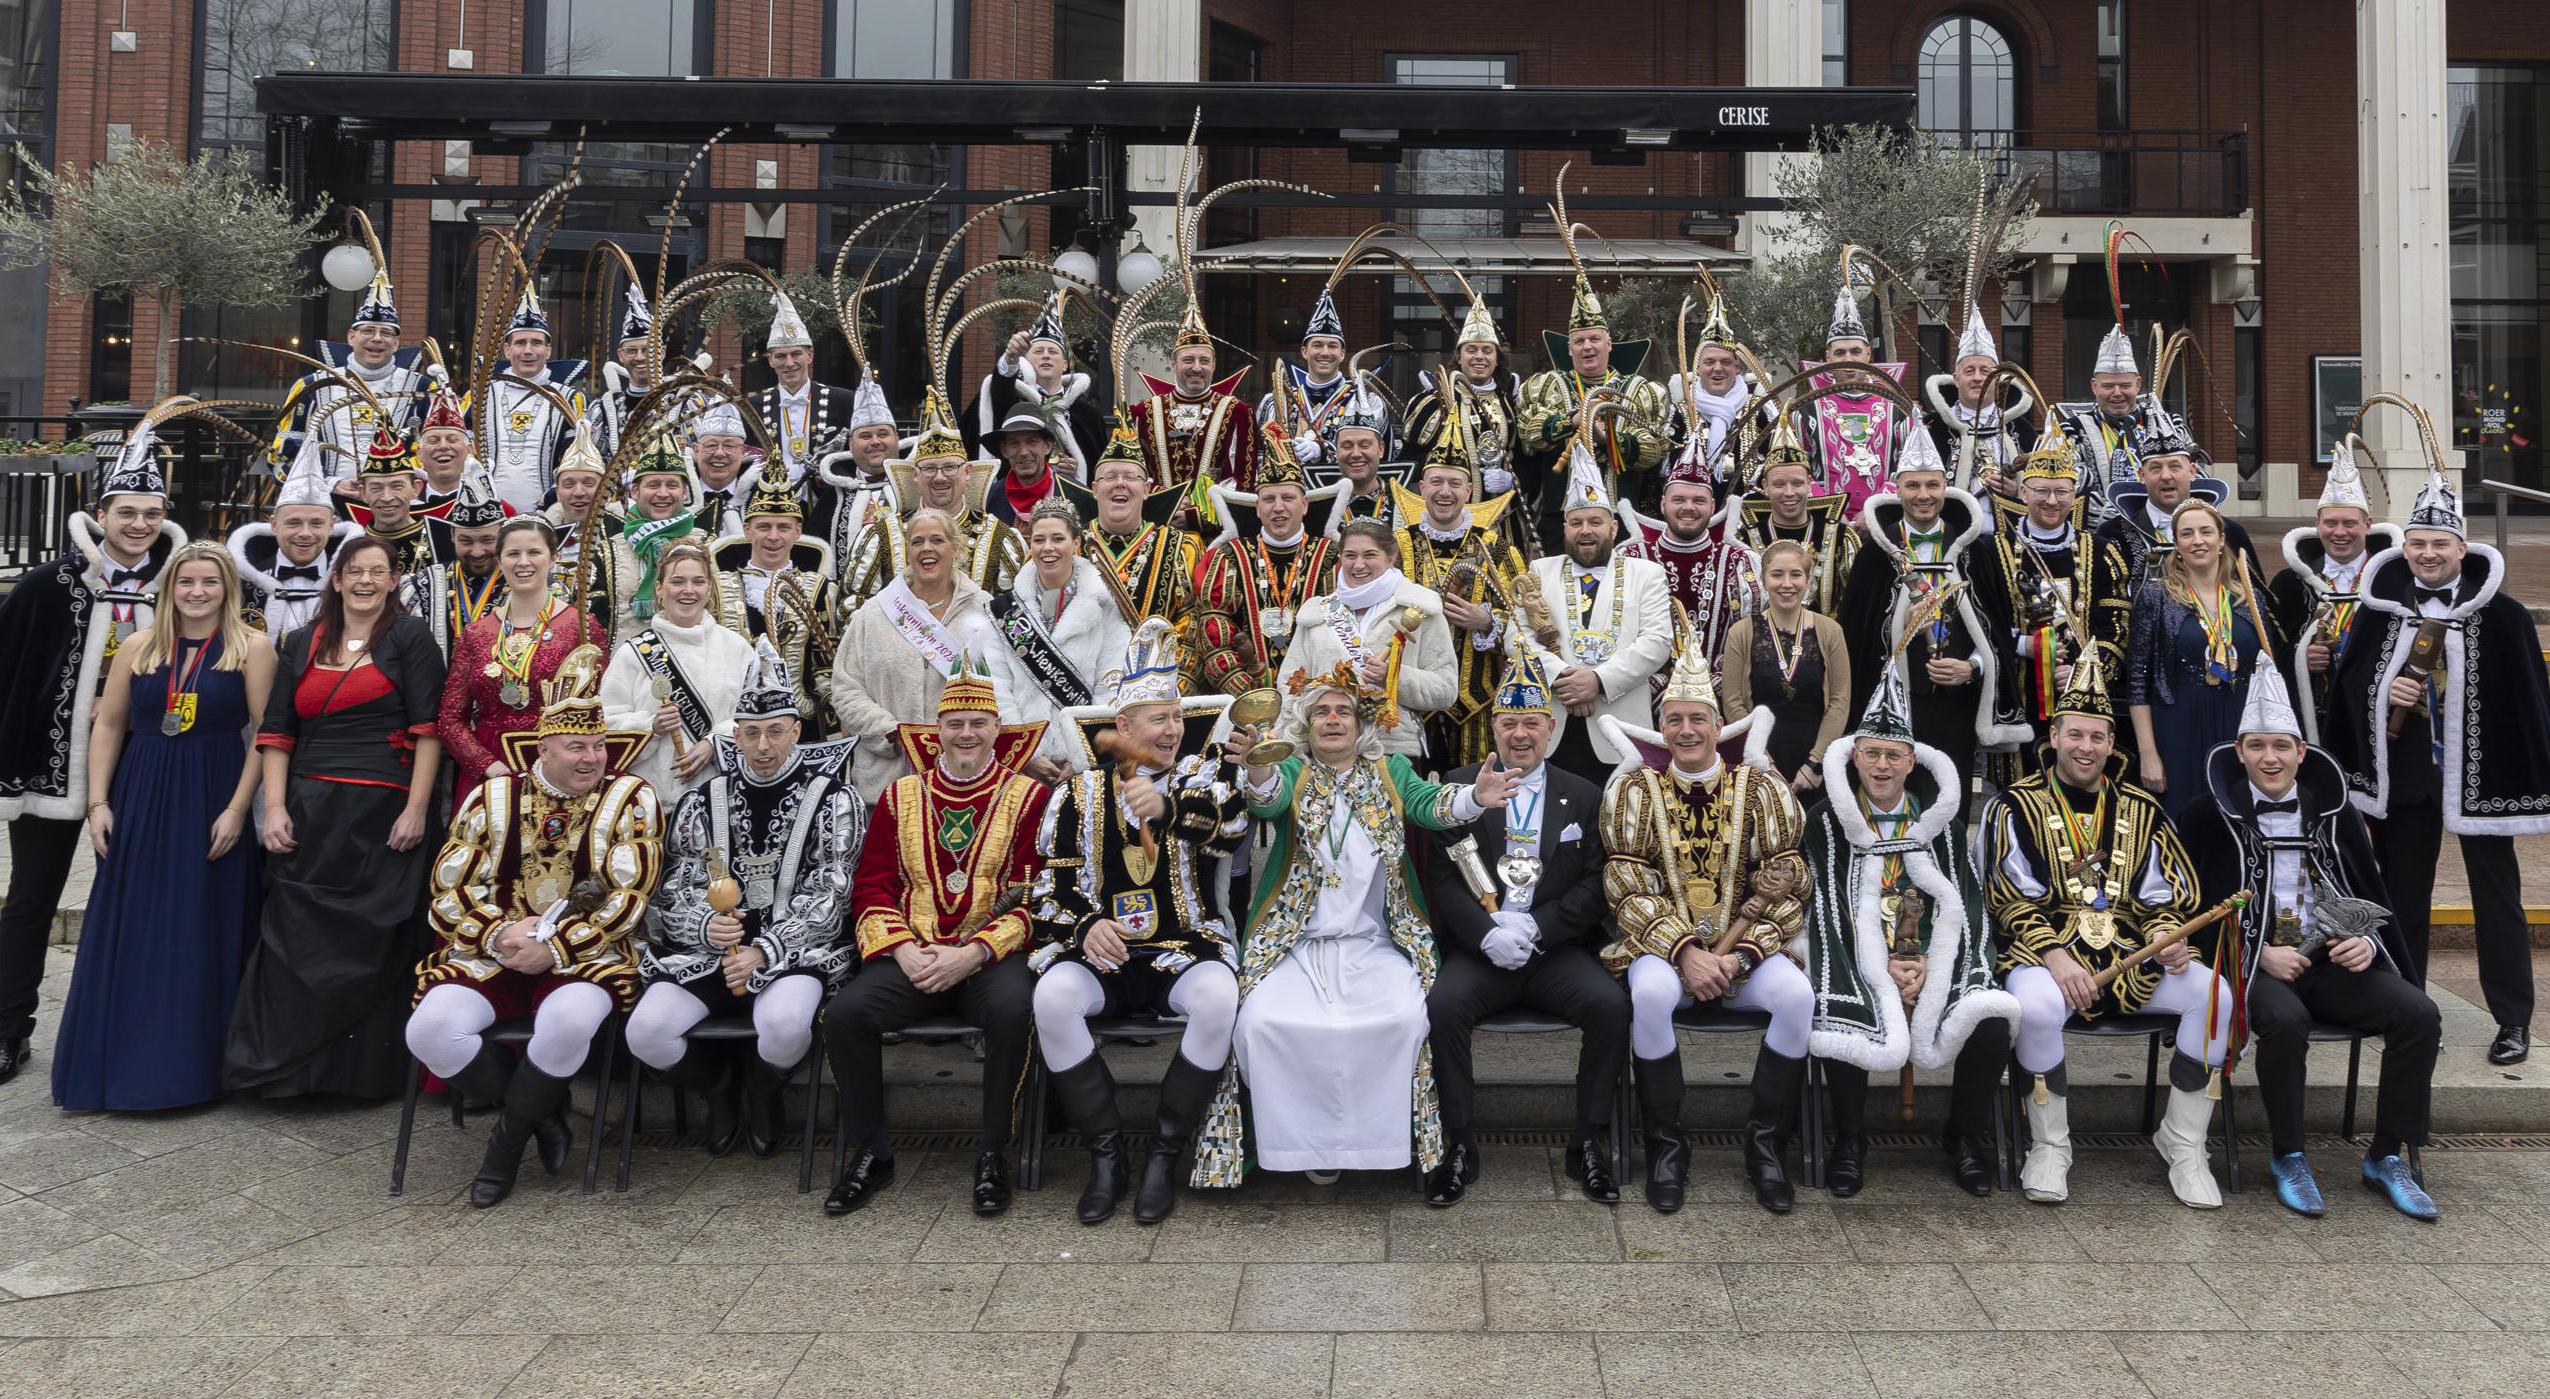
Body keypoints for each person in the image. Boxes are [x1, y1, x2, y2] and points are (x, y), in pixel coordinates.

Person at [1202, 662, 1513, 1184]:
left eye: (1343, 711)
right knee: (1260, 1024)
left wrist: (1473, 799)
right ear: (1306, 724)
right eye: (1320, 711)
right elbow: (1269, 796)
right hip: (1294, 945)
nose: (1332, 720)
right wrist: (1257, 767)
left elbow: (1428, 806)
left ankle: (1377, 1146)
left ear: (1361, 723)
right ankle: (1296, 1149)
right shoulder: (1295, 771)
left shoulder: (1392, 772)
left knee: (1403, 1021)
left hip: (1378, 945)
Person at [2177, 656, 2441, 1219]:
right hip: (2251, 966)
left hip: (2326, 962)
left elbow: (2367, 892)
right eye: (2256, 746)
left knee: (2417, 1014)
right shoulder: (2206, 815)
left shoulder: (2337, 814)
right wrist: (2257, 953)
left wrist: (2365, 942)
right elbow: (2188, 909)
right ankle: (2289, 1153)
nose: (2269, 758)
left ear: (2301, 752)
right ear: (2239, 751)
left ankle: (2387, 1155)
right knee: (2286, 1021)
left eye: (2280, 746)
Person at [404, 646, 658, 1209]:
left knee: (567, 1024)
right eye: (577, 747)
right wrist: (497, 936)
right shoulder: (492, 796)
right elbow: (450, 889)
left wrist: (557, 946)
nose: (592, 758)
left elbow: (629, 896)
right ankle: (544, 1115)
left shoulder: (631, 797)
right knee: (429, 1033)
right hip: (494, 949)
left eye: (598, 745)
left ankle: (504, 1147)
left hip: (587, 954)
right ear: (543, 746)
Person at [1981, 648, 2231, 1208]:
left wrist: (2169, 943)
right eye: (2075, 735)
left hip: (2131, 958)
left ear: (2112, 743)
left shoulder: (2142, 809)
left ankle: (2184, 1144)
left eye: (2097, 737)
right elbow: (2007, 897)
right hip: (2042, 958)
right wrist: (2053, 954)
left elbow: (2167, 895)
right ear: (2054, 737)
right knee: (2038, 1007)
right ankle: (2050, 1147)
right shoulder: (2014, 807)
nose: (2086, 748)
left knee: (2213, 995)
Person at [2325, 457, 2550, 1065]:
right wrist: (2385, 693)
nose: (2427, 554)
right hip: (2410, 779)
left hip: (2483, 778)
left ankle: (2512, 1021)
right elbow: (2349, 687)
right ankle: (2409, 1012)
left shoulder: (2501, 616)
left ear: (2462, 547)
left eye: (2439, 544)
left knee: (2497, 902)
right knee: (2403, 899)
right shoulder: (2381, 610)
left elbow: (2528, 700)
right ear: (2406, 547)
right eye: (2418, 543)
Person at [1030, 620, 1249, 1223]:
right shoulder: (1078, 793)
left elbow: (1227, 829)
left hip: (1181, 944)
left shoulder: (1201, 781)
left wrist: (1170, 806)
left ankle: (1163, 1154)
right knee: (1051, 999)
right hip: (1102, 950)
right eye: (1160, 718)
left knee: (1218, 999)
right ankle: (1107, 1155)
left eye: (1177, 717)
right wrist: (1083, 928)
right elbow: (1051, 883)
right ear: (1123, 727)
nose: (1174, 729)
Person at [0, 406, 189, 1084]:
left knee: (136, 900)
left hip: (142, 770)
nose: (138, 524)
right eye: (126, 512)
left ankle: (127, 1025)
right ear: (101, 513)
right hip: (50, 770)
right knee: (30, 900)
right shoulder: (47, 585)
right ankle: (7, 1027)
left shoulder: (180, 590)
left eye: (149, 512)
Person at [823, 657, 1049, 1217]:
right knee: (846, 1015)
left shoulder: (1031, 798)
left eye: (978, 723)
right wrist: (902, 948)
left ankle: (994, 1150)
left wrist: (972, 952)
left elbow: (1036, 895)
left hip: (989, 956)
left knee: (1015, 1008)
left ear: (997, 728)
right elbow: (871, 887)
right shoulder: (900, 797)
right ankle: (870, 1152)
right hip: (913, 953)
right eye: (955, 724)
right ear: (937, 730)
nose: (966, 734)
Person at [53, 544, 273, 1111]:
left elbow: (266, 737)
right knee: (136, 925)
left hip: (211, 796)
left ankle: (192, 1071)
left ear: (228, 589)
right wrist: (97, 802)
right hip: (142, 794)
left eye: (209, 582)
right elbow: (110, 727)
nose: (197, 592)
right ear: (168, 587)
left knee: (200, 928)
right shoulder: (138, 647)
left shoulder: (251, 648)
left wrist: (235, 807)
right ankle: (121, 1066)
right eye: (186, 582)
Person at [1602, 630, 1812, 1215]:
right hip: (1666, 954)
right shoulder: (1634, 790)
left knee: (1796, 996)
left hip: (1746, 957)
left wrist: (1740, 957)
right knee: (1647, 994)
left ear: (1719, 726)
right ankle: (1667, 1148)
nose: (1687, 731)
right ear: (1661, 728)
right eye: (1674, 720)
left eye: (1698, 718)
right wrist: (1687, 952)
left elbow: (1790, 884)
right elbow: (1625, 883)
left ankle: (1765, 1147)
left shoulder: (1763, 787)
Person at [230, 534, 445, 1102]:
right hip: (309, 811)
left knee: (369, 944)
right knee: (294, 939)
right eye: (356, 571)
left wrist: (417, 809)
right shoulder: (301, 643)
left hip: (382, 814)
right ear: (338, 578)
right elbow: (276, 732)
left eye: (378, 571)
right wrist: (273, 808)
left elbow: (429, 731)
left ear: (394, 580)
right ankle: (286, 1073)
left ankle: (357, 1079)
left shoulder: (411, 639)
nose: (367, 581)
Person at [1796, 660, 2022, 1197]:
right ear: (1853, 757)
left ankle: (1964, 1136)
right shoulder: (1825, 820)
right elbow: (1821, 905)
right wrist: (1876, 967)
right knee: (1837, 1010)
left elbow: (1963, 901)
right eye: (1870, 752)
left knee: (1989, 1017)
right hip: (1852, 957)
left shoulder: (1937, 823)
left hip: (1928, 962)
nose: (1880, 765)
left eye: (1892, 754)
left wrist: (1927, 962)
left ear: (1911, 761)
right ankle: (1850, 1139)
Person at [635, 640, 863, 1159]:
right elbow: (676, 887)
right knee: (647, 1033)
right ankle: (718, 1087)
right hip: (708, 955)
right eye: (752, 733)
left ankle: (763, 1087)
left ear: (796, 732)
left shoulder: (833, 797)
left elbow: (832, 892)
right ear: (734, 736)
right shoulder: (701, 798)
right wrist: (703, 928)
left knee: (783, 1028)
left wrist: (765, 951)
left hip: (793, 955)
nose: (763, 746)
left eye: (776, 732)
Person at [1419, 649, 1624, 1205]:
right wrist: (1486, 934)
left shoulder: (1583, 793)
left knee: (1610, 1006)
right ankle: (1458, 1145)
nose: (1520, 734)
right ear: (1492, 728)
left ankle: (1587, 1143)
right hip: (1481, 948)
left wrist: (1536, 929)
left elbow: (1593, 882)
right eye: (1508, 723)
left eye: (1532, 722)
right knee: (1440, 1007)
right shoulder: (1460, 787)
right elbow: (1442, 879)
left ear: (1551, 728)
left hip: (1552, 950)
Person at [1836, 429, 2030, 795]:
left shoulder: (1978, 552)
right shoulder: (1875, 555)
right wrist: (1900, 627)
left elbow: (1999, 631)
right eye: (1913, 486)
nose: (1923, 495)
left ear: (1946, 487)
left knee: (1950, 806)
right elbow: (1855, 638)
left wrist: (1973, 667)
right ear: (1897, 490)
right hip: (1891, 706)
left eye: (1932, 485)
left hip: (1956, 704)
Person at [1977, 429, 2133, 776]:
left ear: (2074, 495)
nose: (2051, 501)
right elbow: (1979, 620)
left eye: (2061, 491)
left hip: (2080, 694)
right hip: (2014, 691)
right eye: (2042, 491)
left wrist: (2084, 672)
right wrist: (2022, 645)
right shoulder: (1991, 552)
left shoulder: (2102, 551)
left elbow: (2117, 625)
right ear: (2023, 491)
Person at [1518, 178, 1666, 542]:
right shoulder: (1547, 385)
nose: (1587, 347)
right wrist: (1572, 419)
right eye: (1579, 341)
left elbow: (1654, 448)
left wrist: (1606, 437)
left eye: (1594, 339)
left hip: (1622, 516)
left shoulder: (1641, 391)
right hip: (1561, 517)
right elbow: (1529, 435)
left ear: (1609, 344)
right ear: (1568, 348)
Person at [832, 507, 1009, 802]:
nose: (927, 549)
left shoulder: (985, 610)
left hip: (967, 783)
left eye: (937, 540)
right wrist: (890, 733)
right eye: (917, 541)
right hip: (887, 782)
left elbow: (1004, 688)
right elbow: (845, 688)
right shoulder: (874, 613)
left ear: (956, 548)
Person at [1521, 449, 1674, 785]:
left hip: (1621, 732)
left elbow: (1658, 643)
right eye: (1576, 523)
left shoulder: (1646, 574)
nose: (1585, 530)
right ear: (1564, 528)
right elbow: (1517, 639)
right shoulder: (1539, 572)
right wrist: (1564, 677)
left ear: (1614, 527)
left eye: (1595, 522)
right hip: (1552, 727)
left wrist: (1597, 682)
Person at [1391, 410, 1529, 771]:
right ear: (1422, 489)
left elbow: (1529, 619)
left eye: (1454, 483)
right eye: (1436, 482)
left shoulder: (1497, 548)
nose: (1445, 492)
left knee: (1474, 797)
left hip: (1476, 704)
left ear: (1469, 491)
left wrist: (1487, 622)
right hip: (1407, 700)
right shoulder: (1394, 547)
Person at [2126, 499, 2283, 814]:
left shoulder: (2249, 599)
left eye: (2206, 532)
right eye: (2187, 533)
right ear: (2176, 543)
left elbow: (2268, 671)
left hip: (2241, 721)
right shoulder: (2156, 597)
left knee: (2239, 812)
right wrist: (2149, 753)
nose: (2198, 540)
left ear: (2222, 540)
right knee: (2186, 814)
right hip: (2178, 723)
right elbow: (2138, 680)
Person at [438, 517, 608, 806]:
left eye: (534, 552)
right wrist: (487, 766)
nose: (523, 562)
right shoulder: (477, 633)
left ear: (553, 558)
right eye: (513, 554)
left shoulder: (581, 626)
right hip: (490, 771)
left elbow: (603, 704)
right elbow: (450, 719)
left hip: (560, 767)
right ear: (500, 560)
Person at [1275, 519, 1457, 761]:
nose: (1358, 565)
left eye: (1369, 555)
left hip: (1392, 751)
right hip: (1325, 750)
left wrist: (1393, 677)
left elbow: (1445, 690)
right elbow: (1290, 686)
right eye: (1350, 555)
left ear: (1391, 557)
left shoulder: (1419, 607)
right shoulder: (1317, 613)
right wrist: (1292, 744)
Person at [986, 498, 1131, 783]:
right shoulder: (1005, 610)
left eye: (1058, 538)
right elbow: (997, 685)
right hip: (1021, 765)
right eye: (1039, 539)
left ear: (1076, 542)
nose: (1047, 548)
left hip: (1089, 765)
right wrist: (1025, 752)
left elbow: (1113, 683)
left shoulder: (1106, 606)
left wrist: (1082, 754)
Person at [839, 389, 1025, 610]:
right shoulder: (881, 536)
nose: (939, 477)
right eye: (929, 468)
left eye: (949, 467)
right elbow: (852, 606)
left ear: (967, 472)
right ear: (915, 475)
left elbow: (1017, 610)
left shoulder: (999, 539)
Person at [2264, 435, 2396, 744]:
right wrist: (2301, 658)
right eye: (2331, 523)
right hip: (2313, 718)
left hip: (2376, 716)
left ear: (2368, 524)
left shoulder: (2390, 581)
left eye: (2350, 523)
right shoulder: (2290, 582)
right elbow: (2269, 650)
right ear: (2317, 524)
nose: (2340, 532)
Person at [602, 542, 751, 803]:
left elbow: (753, 717)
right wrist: (651, 727)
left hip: (722, 798)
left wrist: (716, 743)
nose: (688, 590)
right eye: (678, 581)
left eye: (698, 582)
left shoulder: (737, 648)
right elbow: (605, 726)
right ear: (659, 589)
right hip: (651, 800)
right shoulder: (632, 653)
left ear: (709, 590)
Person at [1194, 432, 1341, 697]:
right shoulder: (1229, 556)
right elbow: (1214, 629)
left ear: (1304, 505)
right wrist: (1245, 688)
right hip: (1247, 694)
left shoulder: (1331, 556)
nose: (1278, 507)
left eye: (1288, 498)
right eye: (1269, 499)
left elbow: (1341, 629)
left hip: (1315, 695)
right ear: (1258, 507)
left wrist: (1315, 689)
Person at [268, 248, 423, 489]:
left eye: (386, 333)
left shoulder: (423, 389)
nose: (377, 339)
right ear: (351, 337)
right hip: (328, 506)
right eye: (368, 331)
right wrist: (332, 484)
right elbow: (283, 457)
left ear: (397, 343)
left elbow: (437, 453)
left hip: (398, 507)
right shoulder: (311, 387)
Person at [710, 458, 841, 737]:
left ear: (797, 531)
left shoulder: (818, 588)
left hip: (800, 724)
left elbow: (824, 666)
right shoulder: (719, 587)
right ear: (747, 530)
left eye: (783, 527)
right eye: (764, 526)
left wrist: (835, 719)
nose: (773, 536)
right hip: (734, 722)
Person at [1721, 541, 1851, 794]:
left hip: (1816, 763)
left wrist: (1815, 762)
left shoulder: (1830, 631)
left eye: (1796, 574)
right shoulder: (1742, 632)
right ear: (1763, 578)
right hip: (1759, 760)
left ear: (1807, 578)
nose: (1787, 584)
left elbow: (1840, 700)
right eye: (1777, 574)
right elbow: (1733, 703)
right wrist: (1763, 763)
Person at [1404, 287, 1525, 554]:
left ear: (1497, 358)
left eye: (1486, 350)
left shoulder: (1513, 402)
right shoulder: (1433, 400)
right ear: (1459, 356)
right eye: (1471, 349)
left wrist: (1512, 480)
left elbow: (1527, 460)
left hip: (1502, 520)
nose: (1479, 356)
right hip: (1446, 518)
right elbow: (1411, 456)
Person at [1616, 444, 1760, 666]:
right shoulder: (1631, 558)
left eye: (1698, 501)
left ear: (1712, 506)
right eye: (1679, 500)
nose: (1689, 507)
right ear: (1663, 504)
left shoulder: (1737, 560)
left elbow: (1752, 636)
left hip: (1717, 692)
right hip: (1644, 693)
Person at [2091, 408, 2262, 590]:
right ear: (2141, 475)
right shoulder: (2113, 534)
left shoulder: (2230, 533)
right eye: (2156, 468)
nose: (2166, 476)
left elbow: (2255, 601)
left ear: (2192, 472)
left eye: (2175, 467)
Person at [1797, 280, 1914, 519]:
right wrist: (1829, 511)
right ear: (1827, 358)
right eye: (1840, 353)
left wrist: (1876, 510)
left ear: (1868, 354)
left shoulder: (1899, 409)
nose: (1848, 359)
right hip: (1825, 519)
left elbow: (1909, 466)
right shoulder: (1805, 411)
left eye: (1855, 351)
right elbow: (1799, 470)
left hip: (1886, 517)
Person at [471, 285, 588, 512]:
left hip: (549, 515)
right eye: (520, 342)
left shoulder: (570, 399)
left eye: (536, 343)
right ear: (506, 350)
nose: (528, 350)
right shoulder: (480, 397)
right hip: (487, 513)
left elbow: (576, 460)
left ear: (548, 350)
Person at [1128, 299, 1257, 491]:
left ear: (1213, 365)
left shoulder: (1238, 412)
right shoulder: (1142, 412)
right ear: (1174, 364)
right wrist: (1169, 502)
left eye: (1204, 361)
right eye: (1188, 360)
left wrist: (1196, 511)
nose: (1197, 367)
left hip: (1214, 517)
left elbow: (1242, 479)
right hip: (1157, 515)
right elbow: (1134, 473)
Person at [974, 295, 1106, 478]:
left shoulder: (1087, 414)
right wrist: (1010, 358)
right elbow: (1000, 388)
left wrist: (1079, 472)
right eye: (1038, 351)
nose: (1046, 356)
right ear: (1025, 360)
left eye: (1052, 351)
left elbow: (1101, 467)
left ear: (1065, 365)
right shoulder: (1013, 403)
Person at [1732, 426, 1857, 617]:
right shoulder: (1743, 539)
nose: (1789, 493)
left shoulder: (1841, 537)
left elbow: (1855, 603)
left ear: (1809, 483)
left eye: (1797, 483)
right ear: (1765, 486)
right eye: (1779, 484)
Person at [230, 450, 357, 637]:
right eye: (293, 523)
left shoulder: (354, 581)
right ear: (274, 525)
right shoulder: (240, 582)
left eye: (316, 523)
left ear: (331, 526)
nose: (305, 533)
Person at [1075, 440, 1198, 626]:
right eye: (1109, 477)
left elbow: (1191, 623)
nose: (1120, 483)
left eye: (1131, 477)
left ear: (1146, 490)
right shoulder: (1067, 543)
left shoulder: (1180, 548)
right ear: (1094, 489)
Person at [602, 430, 708, 646]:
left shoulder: (706, 545)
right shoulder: (608, 552)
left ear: (685, 493)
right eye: (653, 485)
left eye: (672, 485)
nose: (663, 493)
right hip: (626, 668)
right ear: (634, 491)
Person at [1923, 300, 2034, 494]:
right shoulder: (1933, 428)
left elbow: (2042, 487)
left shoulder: (2021, 429)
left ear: (1998, 379)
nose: (1977, 378)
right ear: (1956, 379)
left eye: (1985, 371)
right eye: (1969, 371)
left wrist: (2018, 490)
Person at [1663, 295, 1770, 489]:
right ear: (1698, 368)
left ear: (1738, 368)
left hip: (1748, 511)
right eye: (1709, 362)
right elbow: (1666, 470)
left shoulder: (1759, 410)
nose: (1718, 368)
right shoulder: (1681, 412)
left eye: (1726, 362)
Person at [402, 466, 510, 659]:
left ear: (503, 536)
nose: (477, 552)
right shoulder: (420, 587)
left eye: (487, 540)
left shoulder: (525, 584)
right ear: (452, 535)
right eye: (466, 541)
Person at [751, 288, 856, 482]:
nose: (789, 363)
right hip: (771, 504)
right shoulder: (753, 408)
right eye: (781, 356)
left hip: (827, 501)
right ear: (770, 360)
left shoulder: (843, 400)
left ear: (810, 356)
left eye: (796, 354)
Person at [1258, 279, 1355, 468]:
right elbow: (1259, 453)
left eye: (1332, 346)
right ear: (1304, 352)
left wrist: (1324, 450)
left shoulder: (1359, 400)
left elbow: (1374, 451)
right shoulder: (1277, 401)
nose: (1325, 352)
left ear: (1342, 354)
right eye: (1317, 345)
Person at [579, 284, 658, 462]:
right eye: (631, 351)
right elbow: (590, 461)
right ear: (621, 355)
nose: (640, 357)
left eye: (647, 350)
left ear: (663, 351)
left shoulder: (683, 403)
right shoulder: (603, 410)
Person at [355, 425, 443, 580]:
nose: (387, 497)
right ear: (363, 493)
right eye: (376, 488)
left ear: (415, 489)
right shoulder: (351, 544)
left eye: (397, 486)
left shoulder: (440, 539)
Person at [1324, 379, 1406, 530]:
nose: (1356, 454)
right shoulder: (1317, 505)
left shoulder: (1404, 505)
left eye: (1364, 445)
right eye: (1347, 445)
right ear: (1336, 450)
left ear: (1381, 449)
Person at [687, 400, 756, 542]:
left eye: (729, 446)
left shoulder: (758, 496)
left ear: (743, 452)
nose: (719, 453)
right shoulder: (680, 494)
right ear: (696, 450)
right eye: (711, 445)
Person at [985, 408, 1065, 524]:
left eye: (1032, 442)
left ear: (1047, 446)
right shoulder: (987, 501)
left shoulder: (1074, 495)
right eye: (1014, 443)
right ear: (1004, 450)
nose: (1023, 452)